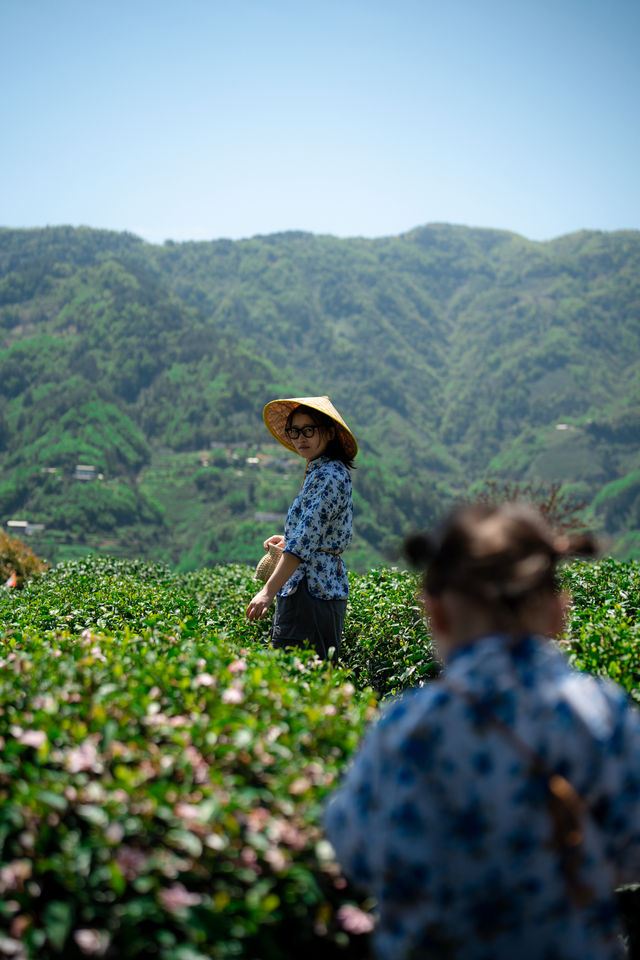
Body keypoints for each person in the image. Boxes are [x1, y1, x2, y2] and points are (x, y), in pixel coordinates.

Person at [325, 502, 640, 960]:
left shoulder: (408, 727)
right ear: (558, 611)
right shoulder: (601, 715)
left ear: (435, 613)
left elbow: (354, 847)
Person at [245, 395, 357, 660]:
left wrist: (267, 592)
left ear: (329, 432)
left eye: (309, 430)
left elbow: (304, 545)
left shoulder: (328, 476)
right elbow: (314, 535)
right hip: (317, 590)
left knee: (293, 675)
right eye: (294, 431)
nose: (300, 438)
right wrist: (289, 538)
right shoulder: (322, 471)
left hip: (310, 593)